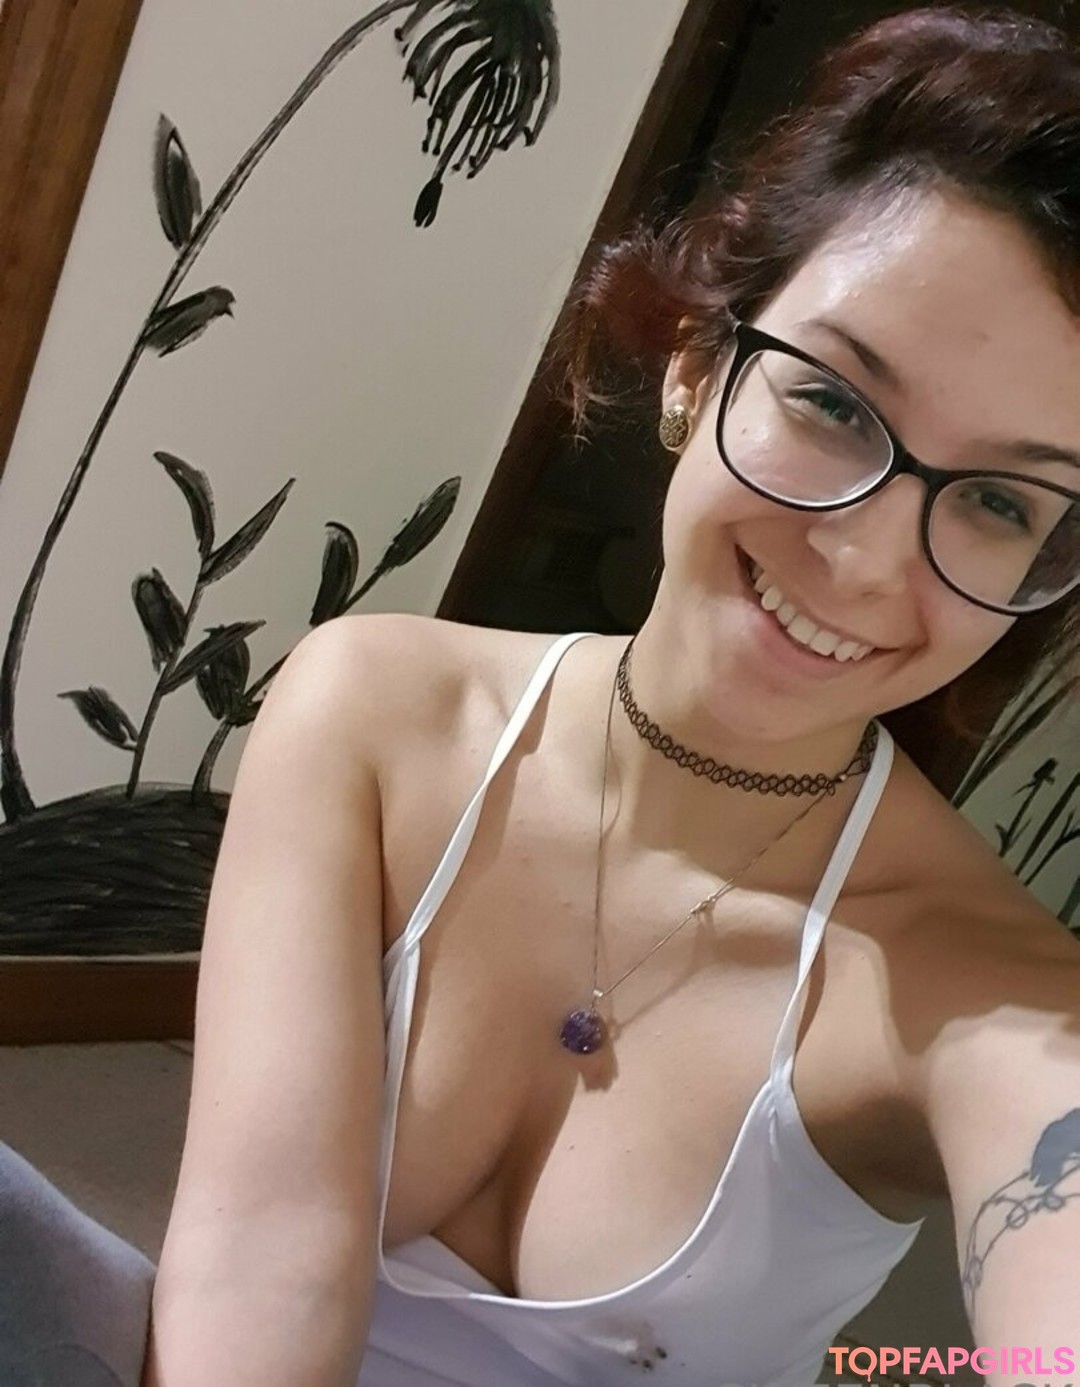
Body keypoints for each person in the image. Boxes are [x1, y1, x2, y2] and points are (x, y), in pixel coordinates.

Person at [117, 5, 1077, 1385]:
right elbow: (261, 1250)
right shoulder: (375, 711)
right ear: (696, 363)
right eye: (833, 404)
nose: (868, 561)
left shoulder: (994, 995)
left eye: (998, 501)